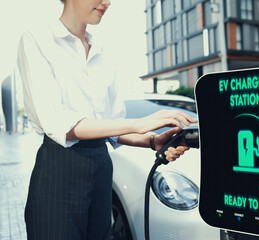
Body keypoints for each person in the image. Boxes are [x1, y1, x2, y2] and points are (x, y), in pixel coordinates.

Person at [17, 0, 195, 239]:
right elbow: (60, 124)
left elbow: (109, 124)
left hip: (101, 166)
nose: (107, 2)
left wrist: (152, 141)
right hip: (60, 167)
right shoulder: (37, 39)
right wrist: (140, 123)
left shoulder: (101, 49)